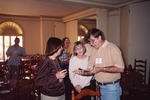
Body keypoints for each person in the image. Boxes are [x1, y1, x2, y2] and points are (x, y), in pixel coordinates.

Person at [74, 28, 124, 100]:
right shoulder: (94, 50)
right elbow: (91, 71)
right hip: (98, 87)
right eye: (90, 41)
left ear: (100, 37)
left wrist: (101, 69)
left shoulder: (113, 48)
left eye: (93, 41)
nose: (91, 44)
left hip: (111, 88)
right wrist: (82, 72)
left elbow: (121, 69)